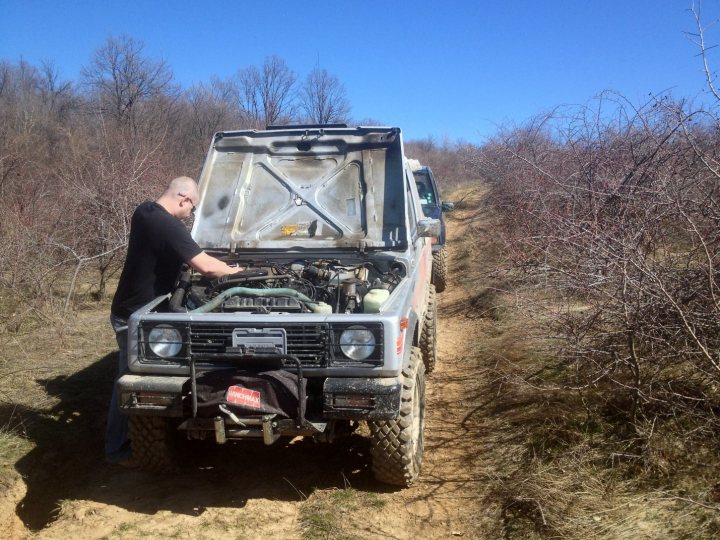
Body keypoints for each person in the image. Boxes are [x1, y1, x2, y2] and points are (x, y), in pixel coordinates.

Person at [106, 176, 238, 465]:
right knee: (131, 380)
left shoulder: (144, 211)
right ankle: (117, 449)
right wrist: (235, 272)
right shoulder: (168, 224)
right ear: (184, 199)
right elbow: (204, 266)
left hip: (134, 307)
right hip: (135, 316)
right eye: (192, 209)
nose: (191, 215)